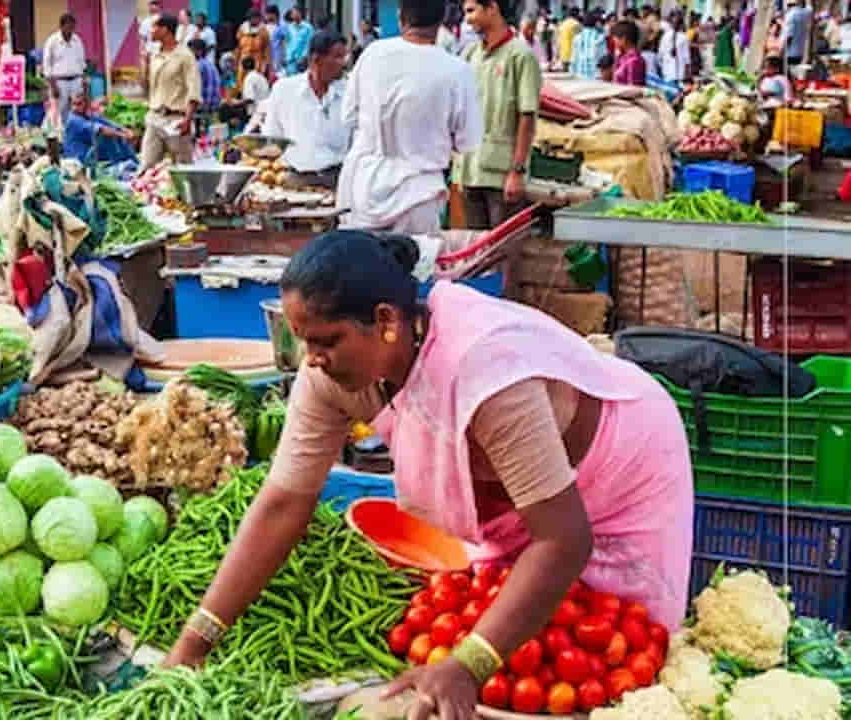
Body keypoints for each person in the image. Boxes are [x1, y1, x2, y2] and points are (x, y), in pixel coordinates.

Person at [162, 231, 694, 720]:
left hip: (621, 469)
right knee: (523, 654)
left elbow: (562, 539)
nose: (312, 358)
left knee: (619, 662)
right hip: (523, 502)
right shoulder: (329, 376)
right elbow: (284, 502)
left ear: (386, 320)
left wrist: (468, 664)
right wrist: (195, 641)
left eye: (326, 341)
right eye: (304, 341)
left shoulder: (483, 366)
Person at [338, 0, 482, 234]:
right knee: (415, 257)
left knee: (359, 257)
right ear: (441, 22)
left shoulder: (373, 54)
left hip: (363, 190)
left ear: (400, 17)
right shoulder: (458, 71)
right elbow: (468, 142)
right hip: (419, 196)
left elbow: (348, 116)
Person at [457, 0, 541, 230]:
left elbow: (527, 116)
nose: (467, 19)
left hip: (502, 174)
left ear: (492, 8)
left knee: (503, 245)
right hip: (470, 170)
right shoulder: (470, 54)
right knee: (475, 243)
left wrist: (517, 171)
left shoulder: (521, 55)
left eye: (471, 11)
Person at [262, 31, 351, 190]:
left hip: (339, 179)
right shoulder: (284, 90)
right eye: (338, 57)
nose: (343, 63)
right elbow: (272, 138)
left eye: (344, 57)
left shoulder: (349, 92)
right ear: (316, 59)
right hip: (296, 179)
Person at [141, 13, 200, 170]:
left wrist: (187, 120)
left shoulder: (185, 56)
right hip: (155, 117)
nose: (151, 30)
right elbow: (148, 86)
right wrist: (144, 66)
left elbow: (194, 90)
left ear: (165, 30)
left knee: (183, 170)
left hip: (176, 120)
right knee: (146, 167)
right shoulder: (154, 55)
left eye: (154, 27)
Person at [62, 93, 136, 165]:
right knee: (109, 136)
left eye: (79, 104)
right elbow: (102, 130)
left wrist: (126, 131)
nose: (75, 107)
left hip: (90, 152)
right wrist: (123, 135)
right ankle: (120, 164)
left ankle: (132, 162)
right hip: (79, 156)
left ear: (86, 104)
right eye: (73, 104)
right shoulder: (73, 120)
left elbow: (109, 123)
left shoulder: (88, 115)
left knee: (116, 135)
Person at [44, 14, 88, 130]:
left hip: (76, 80)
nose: (70, 31)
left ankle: (74, 131)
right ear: (61, 26)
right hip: (59, 81)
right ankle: (55, 134)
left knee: (77, 108)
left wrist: (84, 80)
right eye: (68, 27)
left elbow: (82, 63)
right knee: (58, 110)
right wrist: (53, 86)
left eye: (73, 28)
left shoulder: (77, 40)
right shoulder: (52, 41)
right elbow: (47, 66)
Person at [236, 10, 272, 87]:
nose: (254, 20)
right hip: (244, 59)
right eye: (252, 18)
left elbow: (267, 49)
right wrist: (236, 60)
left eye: (256, 18)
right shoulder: (242, 29)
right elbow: (238, 47)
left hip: (257, 61)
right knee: (242, 81)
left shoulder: (263, 31)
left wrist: (267, 63)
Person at [570, 10, 607, 79]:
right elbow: (604, 57)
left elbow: (574, 57)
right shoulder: (600, 38)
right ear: (595, 23)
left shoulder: (577, 38)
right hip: (596, 75)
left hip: (579, 75)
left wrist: (572, 72)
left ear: (583, 23)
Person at [611, 20, 646, 85]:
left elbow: (634, 87)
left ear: (623, 39)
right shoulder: (622, 57)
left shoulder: (634, 60)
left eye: (615, 39)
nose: (614, 42)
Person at [191, 38, 221, 113]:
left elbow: (209, 86)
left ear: (199, 51)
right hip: (208, 103)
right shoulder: (208, 64)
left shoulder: (202, 65)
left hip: (204, 105)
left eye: (192, 50)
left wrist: (206, 104)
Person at [659, 11, 690, 83]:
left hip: (677, 71)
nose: (675, 24)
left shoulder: (683, 37)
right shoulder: (666, 36)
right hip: (669, 70)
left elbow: (686, 56)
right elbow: (661, 52)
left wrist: (687, 71)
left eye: (677, 23)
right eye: (674, 22)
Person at [285, 8, 316, 75]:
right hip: (291, 59)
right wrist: (287, 55)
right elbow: (287, 42)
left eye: (296, 12)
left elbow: (310, 43)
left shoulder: (308, 28)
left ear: (300, 13)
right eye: (292, 13)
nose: (294, 14)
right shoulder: (289, 27)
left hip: (302, 60)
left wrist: (304, 57)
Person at [782, 0, 813, 66]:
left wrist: (783, 49)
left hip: (789, 52)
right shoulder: (806, 12)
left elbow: (789, 34)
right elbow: (809, 7)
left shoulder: (790, 15)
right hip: (799, 52)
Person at [266, 6, 288, 77]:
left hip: (278, 57)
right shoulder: (265, 26)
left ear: (274, 14)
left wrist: (284, 57)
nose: (266, 16)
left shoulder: (282, 26)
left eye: (268, 14)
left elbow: (285, 42)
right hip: (268, 57)